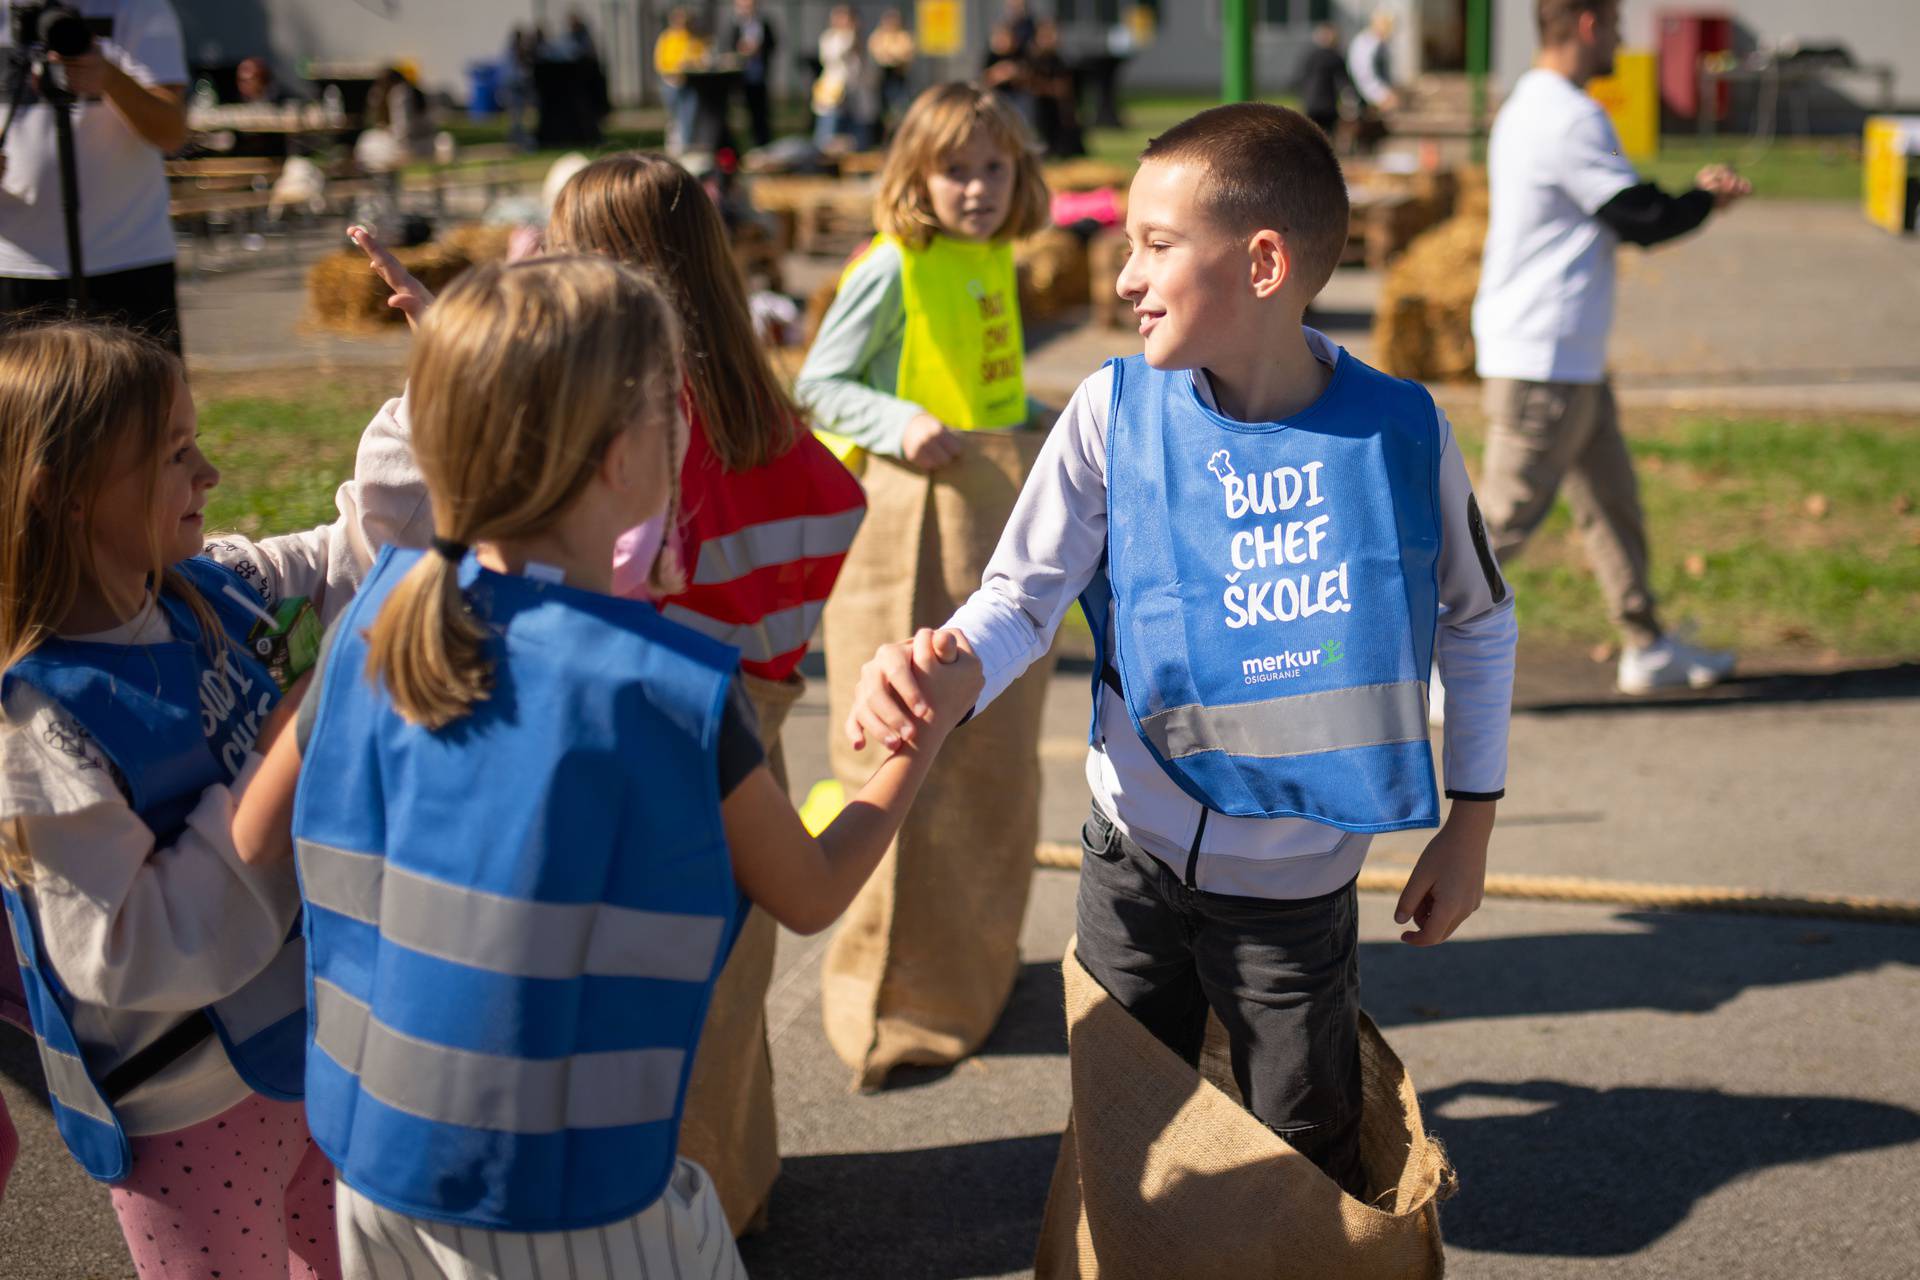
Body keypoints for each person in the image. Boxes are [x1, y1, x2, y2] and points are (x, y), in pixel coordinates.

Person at [848, 102, 1516, 1195]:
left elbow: (1478, 620)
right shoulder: (1114, 411)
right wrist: (941, 669)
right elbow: (1020, 599)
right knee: (1128, 1144)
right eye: (1123, 246)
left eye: (1156, 246)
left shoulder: (1403, 430)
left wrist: (1471, 824)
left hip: (1297, 901)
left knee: (1300, 1163)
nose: (1123, 278)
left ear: (1263, 262)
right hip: (1131, 867)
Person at [274, 254, 979, 1275]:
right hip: (570, 1200)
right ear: (622, 456)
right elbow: (814, 888)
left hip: (370, 1161)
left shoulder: (380, 616)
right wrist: (927, 733)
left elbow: (261, 835)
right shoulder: (670, 689)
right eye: (673, 407)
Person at [0, 316, 429, 1277]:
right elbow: (127, 950)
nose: (211, 475)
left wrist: (436, 388)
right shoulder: (36, 721)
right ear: (65, 497)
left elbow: (364, 551)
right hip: (189, 1115)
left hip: (317, 1050)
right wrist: (271, 773)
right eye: (173, 454)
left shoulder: (207, 589)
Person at [543, 151, 868, 1234]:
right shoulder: (747, 394)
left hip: (649, 733)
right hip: (752, 723)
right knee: (732, 988)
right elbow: (831, 504)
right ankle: (738, 1186)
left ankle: (666, 1220)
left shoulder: (626, 415)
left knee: (650, 990)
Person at [794, 83, 1053, 1089]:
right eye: (957, 171)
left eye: (995, 169)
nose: (979, 190)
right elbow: (817, 381)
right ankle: (894, 999)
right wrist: (897, 422)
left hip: (979, 516)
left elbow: (983, 382)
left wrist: (1038, 412)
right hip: (908, 521)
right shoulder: (894, 263)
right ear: (914, 177)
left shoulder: (989, 258)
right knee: (909, 751)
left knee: (990, 761)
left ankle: (971, 963)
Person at [1472, 0, 1749, 693]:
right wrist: (1706, 198)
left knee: (1611, 505)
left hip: (1566, 356)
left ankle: (1647, 645)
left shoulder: (1527, 105)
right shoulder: (1567, 114)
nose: (1619, 45)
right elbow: (1638, 216)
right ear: (1589, 24)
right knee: (1498, 528)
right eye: (1618, 31)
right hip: (1544, 359)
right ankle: (1424, 665)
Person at [0, 0, 188, 352]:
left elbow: (171, 133)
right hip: (12, 263)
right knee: (20, 407)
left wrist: (111, 79)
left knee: (139, 404)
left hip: (127, 259)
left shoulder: (137, 8)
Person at [812, 5, 877, 151]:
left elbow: (869, 72)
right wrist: (850, 37)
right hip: (834, 95)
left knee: (859, 138)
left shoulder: (864, 42)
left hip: (857, 97)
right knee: (827, 136)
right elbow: (835, 56)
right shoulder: (830, 38)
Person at [653, 7, 707, 154]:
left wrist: (691, 64)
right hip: (670, 83)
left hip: (690, 82)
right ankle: (674, 147)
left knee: (689, 116)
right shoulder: (667, 38)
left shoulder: (694, 39)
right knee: (674, 117)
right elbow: (660, 61)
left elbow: (702, 59)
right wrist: (674, 70)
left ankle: (687, 145)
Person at [728, 0, 777, 150]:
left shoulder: (763, 24)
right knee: (738, 115)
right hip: (739, 75)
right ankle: (737, 149)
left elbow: (773, 44)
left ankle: (762, 146)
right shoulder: (734, 25)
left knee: (760, 113)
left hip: (758, 75)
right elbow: (728, 46)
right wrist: (740, 50)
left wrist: (759, 48)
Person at [1296, 22, 1357, 140]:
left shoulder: (1310, 55)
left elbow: (1300, 78)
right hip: (1328, 104)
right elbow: (1343, 82)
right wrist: (1349, 101)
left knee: (1312, 135)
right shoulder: (1335, 57)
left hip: (1311, 102)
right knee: (1327, 136)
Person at [867, 7, 915, 136]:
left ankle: (899, 133)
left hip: (897, 77)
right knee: (881, 109)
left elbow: (904, 55)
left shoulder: (903, 36)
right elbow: (875, 52)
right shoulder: (879, 36)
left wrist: (890, 56)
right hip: (882, 77)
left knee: (899, 107)